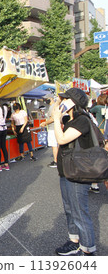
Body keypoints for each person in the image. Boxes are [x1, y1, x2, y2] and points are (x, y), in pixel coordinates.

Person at [53, 88, 97, 256]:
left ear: (74, 102)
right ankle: (74, 242)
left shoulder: (82, 120)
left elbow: (62, 139)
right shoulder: (70, 119)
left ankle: (88, 249)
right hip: (67, 171)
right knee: (70, 209)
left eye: (65, 99)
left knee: (79, 211)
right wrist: (57, 106)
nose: (62, 101)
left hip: (78, 172)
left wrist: (57, 119)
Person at [40, 95, 59, 168]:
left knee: (54, 146)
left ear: (51, 98)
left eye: (46, 99)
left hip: (52, 128)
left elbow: (52, 118)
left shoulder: (52, 107)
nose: (45, 100)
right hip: (56, 127)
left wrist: (45, 123)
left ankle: (56, 161)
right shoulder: (55, 106)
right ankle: (57, 160)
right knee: (57, 145)